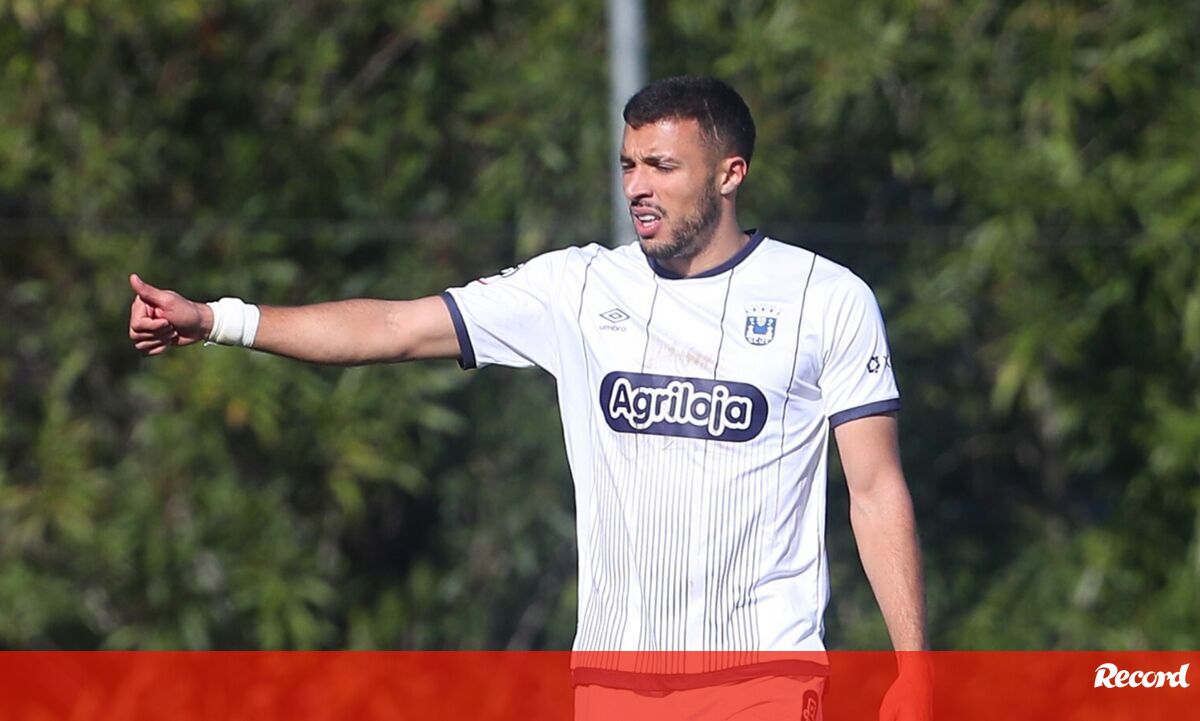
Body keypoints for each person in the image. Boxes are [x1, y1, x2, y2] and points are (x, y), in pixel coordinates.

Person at [128, 76, 930, 720]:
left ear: (730, 174)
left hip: (763, 679)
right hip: (613, 684)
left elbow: (874, 488)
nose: (638, 187)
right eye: (628, 165)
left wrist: (915, 668)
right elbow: (394, 327)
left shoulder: (826, 298)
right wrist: (218, 319)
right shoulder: (576, 286)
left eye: (663, 166)